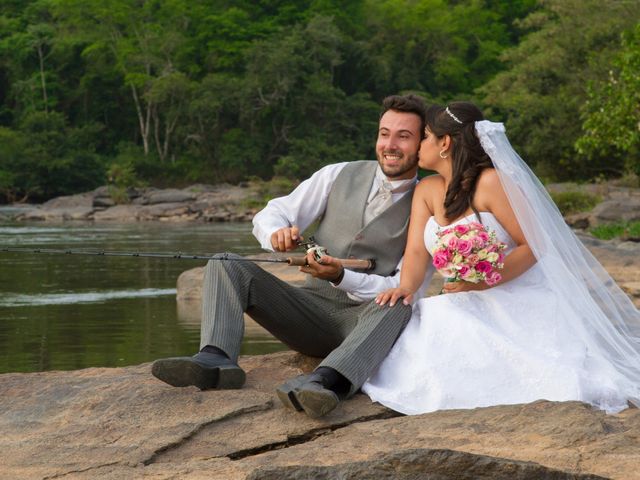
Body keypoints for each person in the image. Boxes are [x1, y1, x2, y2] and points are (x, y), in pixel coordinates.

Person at [151, 94, 433, 418]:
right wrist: (276, 234)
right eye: (384, 133)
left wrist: (342, 276)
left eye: (404, 136)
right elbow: (275, 212)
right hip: (309, 313)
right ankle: (216, 359)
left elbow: (404, 285)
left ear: (423, 143)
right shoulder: (338, 173)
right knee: (225, 263)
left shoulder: (429, 202)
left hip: (368, 323)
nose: (390, 144)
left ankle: (326, 382)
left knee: (400, 303)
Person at [363, 101, 640, 415]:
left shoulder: (492, 183)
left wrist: (481, 281)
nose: (418, 147)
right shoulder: (426, 190)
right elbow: (415, 251)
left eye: (424, 137)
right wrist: (407, 288)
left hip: (514, 294)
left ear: (445, 143)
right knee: (429, 322)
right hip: (460, 295)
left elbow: (533, 246)